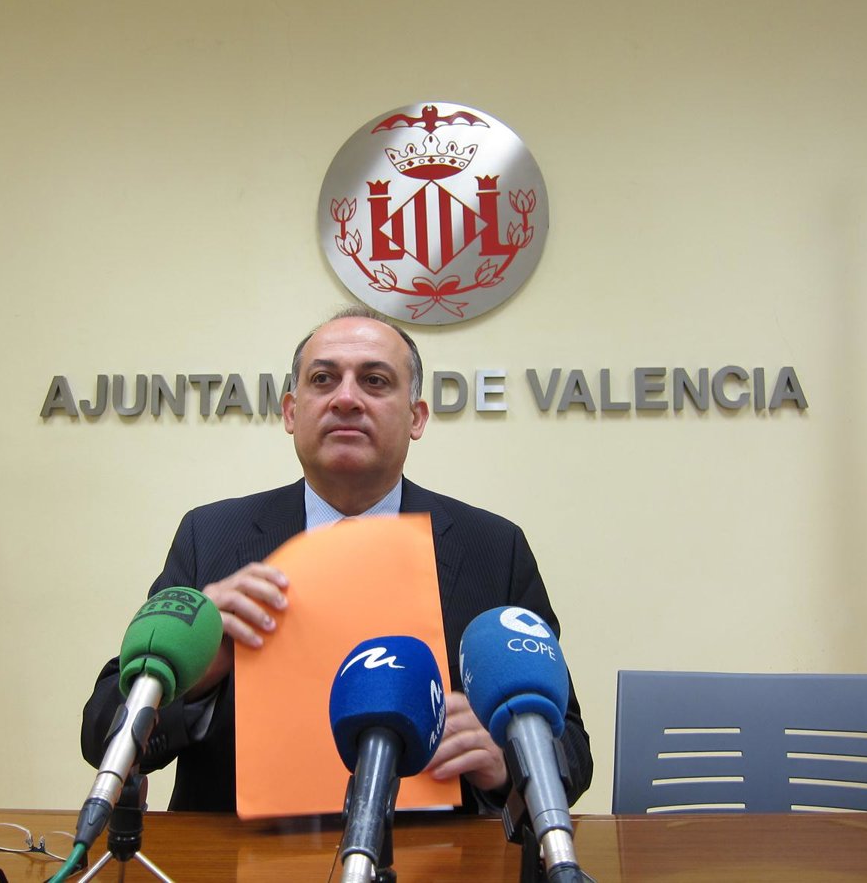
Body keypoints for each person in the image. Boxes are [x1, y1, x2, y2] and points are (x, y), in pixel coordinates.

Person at [81, 306, 593, 812]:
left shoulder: (493, 548)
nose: (346, 399)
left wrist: (509, 760)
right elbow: (100, 731)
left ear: (416, 417)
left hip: (435, 851)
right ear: (290, 411)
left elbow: (571, 750)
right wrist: (199, 673)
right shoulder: (211, 536)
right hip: (235, 849)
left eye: (375, 381)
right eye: (323, 379)